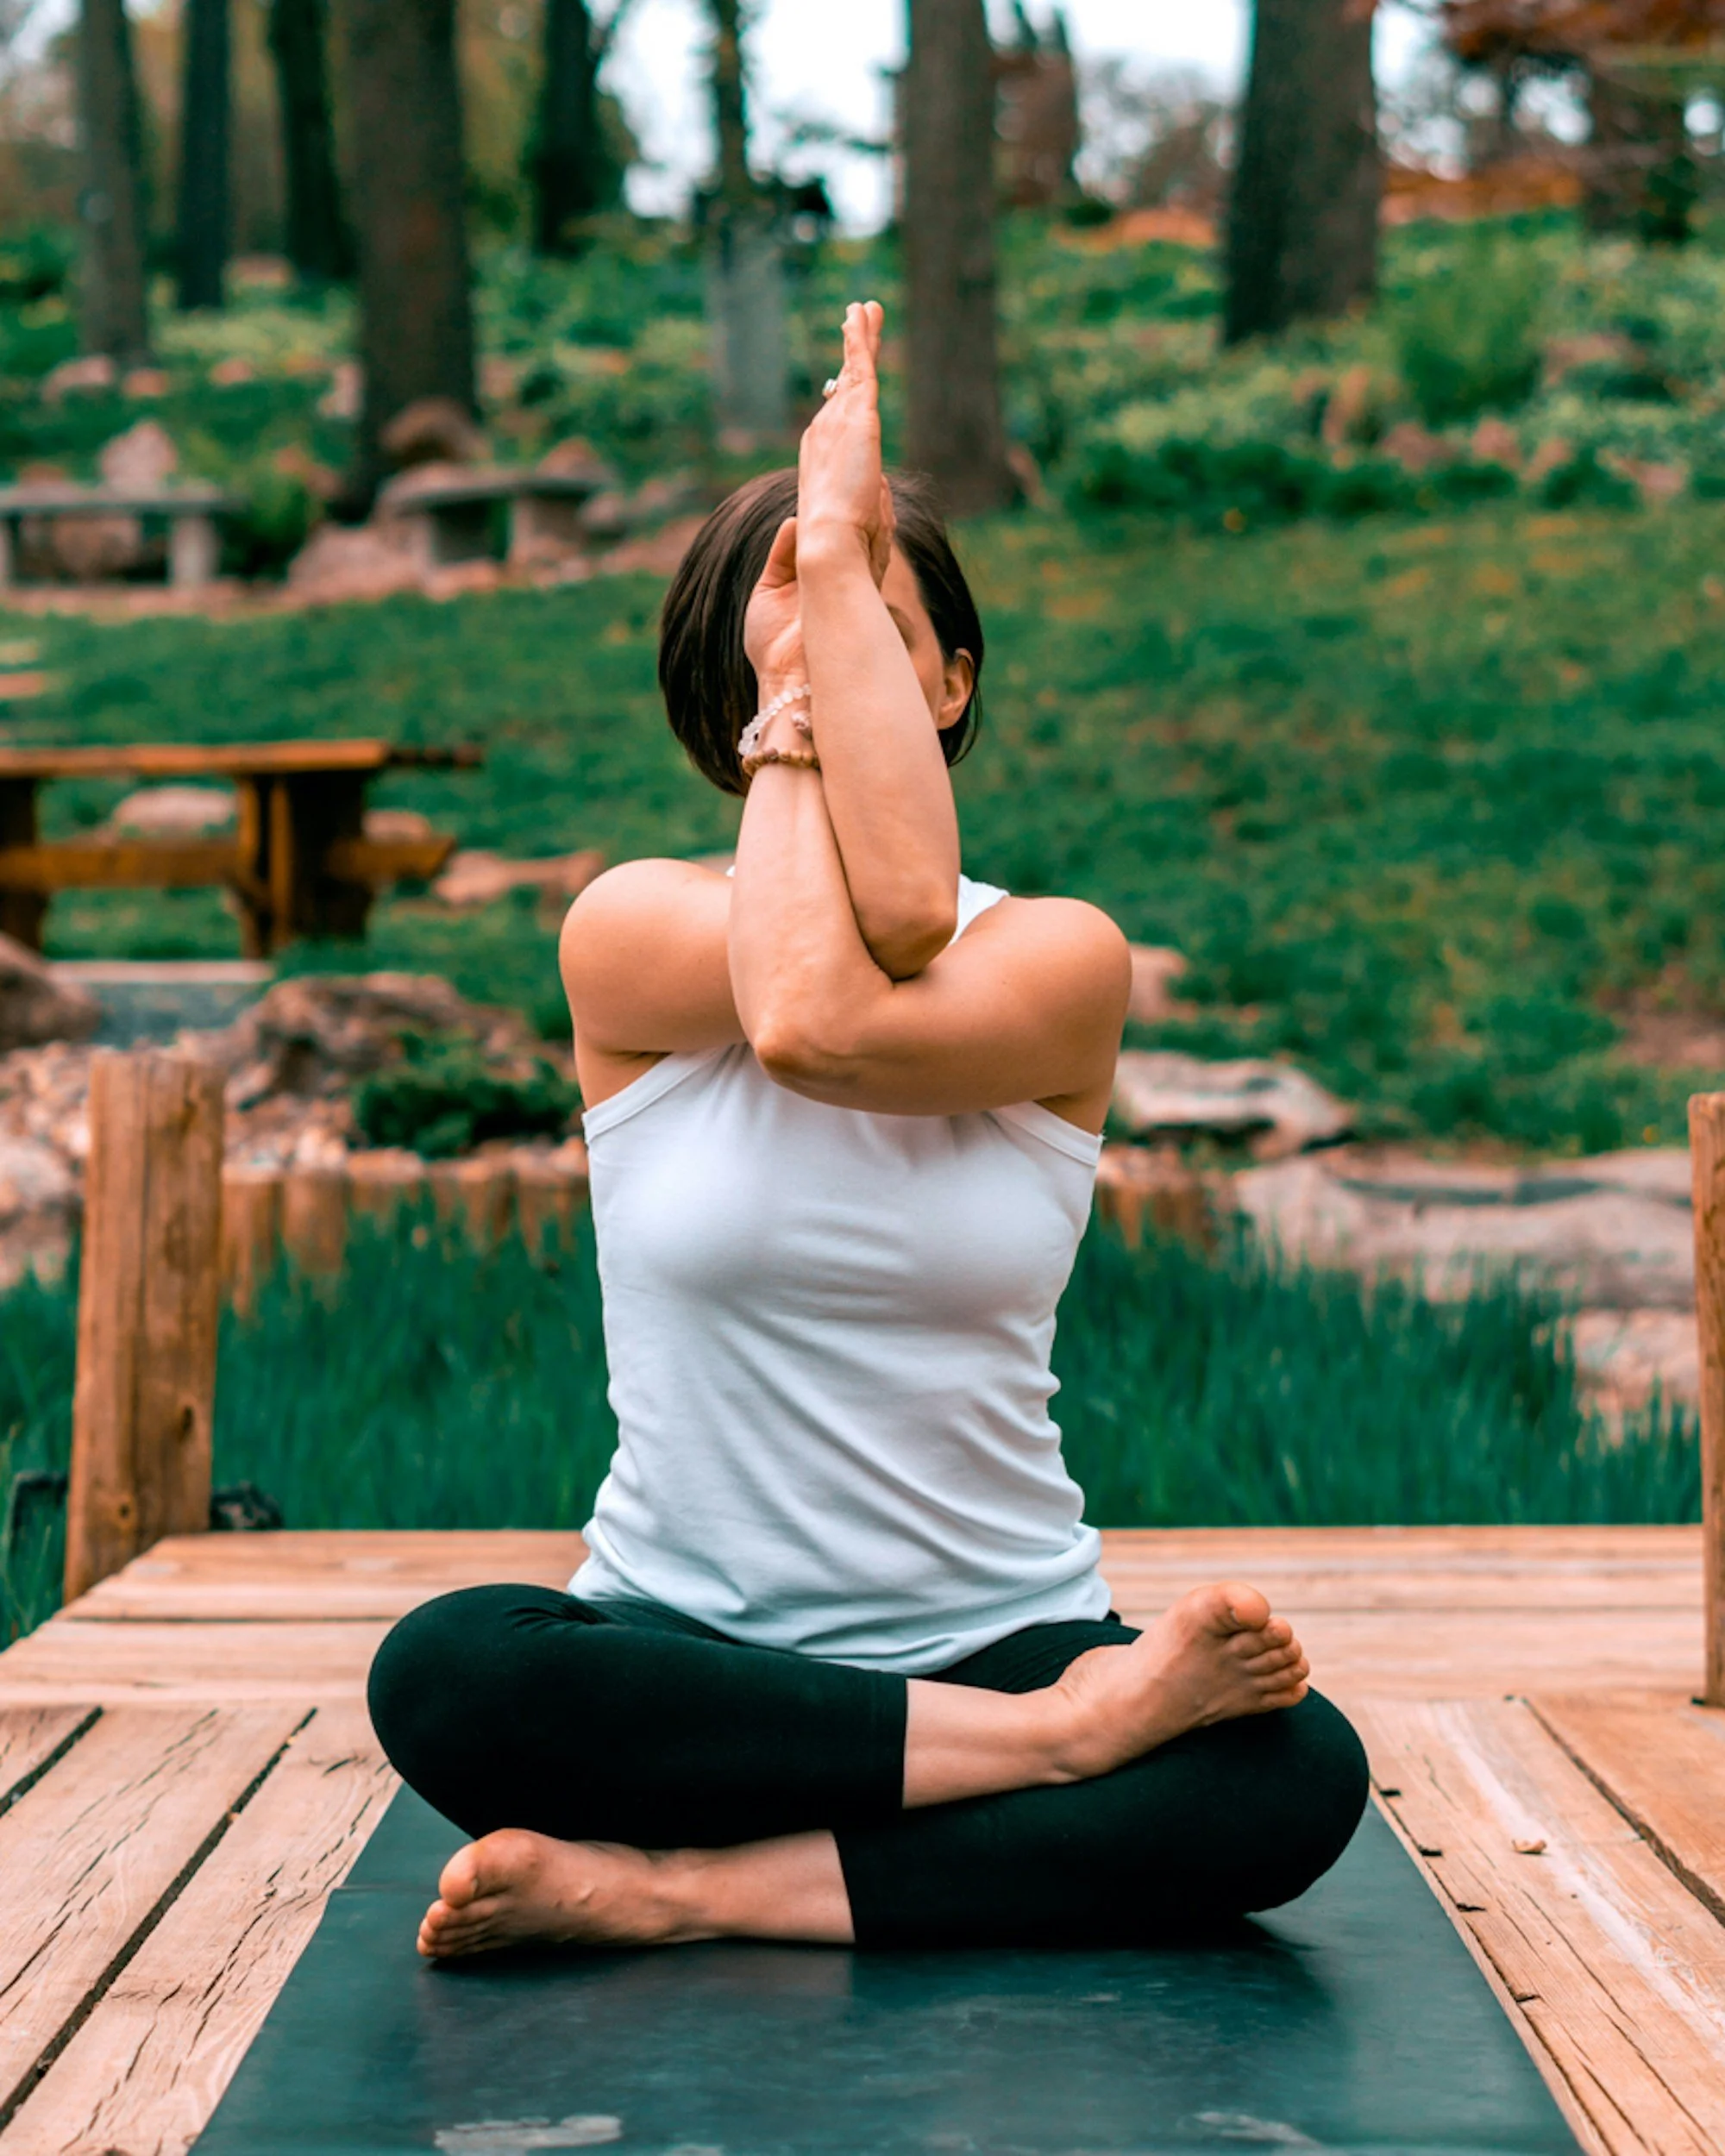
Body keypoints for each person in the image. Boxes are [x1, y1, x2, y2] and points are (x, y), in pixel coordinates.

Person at [367, 301, 1368, 1960]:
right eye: (795, 638)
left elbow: (884, 953)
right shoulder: (628, 930)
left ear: (955, 678)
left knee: (1292, 1778)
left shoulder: (1058, 958)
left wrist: (830, 568)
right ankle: (1044, 1761)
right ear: (733, 686)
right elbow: (806, 1010)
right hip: (691, 1656)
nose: (829, 667)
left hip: (1000, 1631)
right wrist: (1071, 1734)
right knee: (448, 1671)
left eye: (876, 636)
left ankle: (681, 1892)